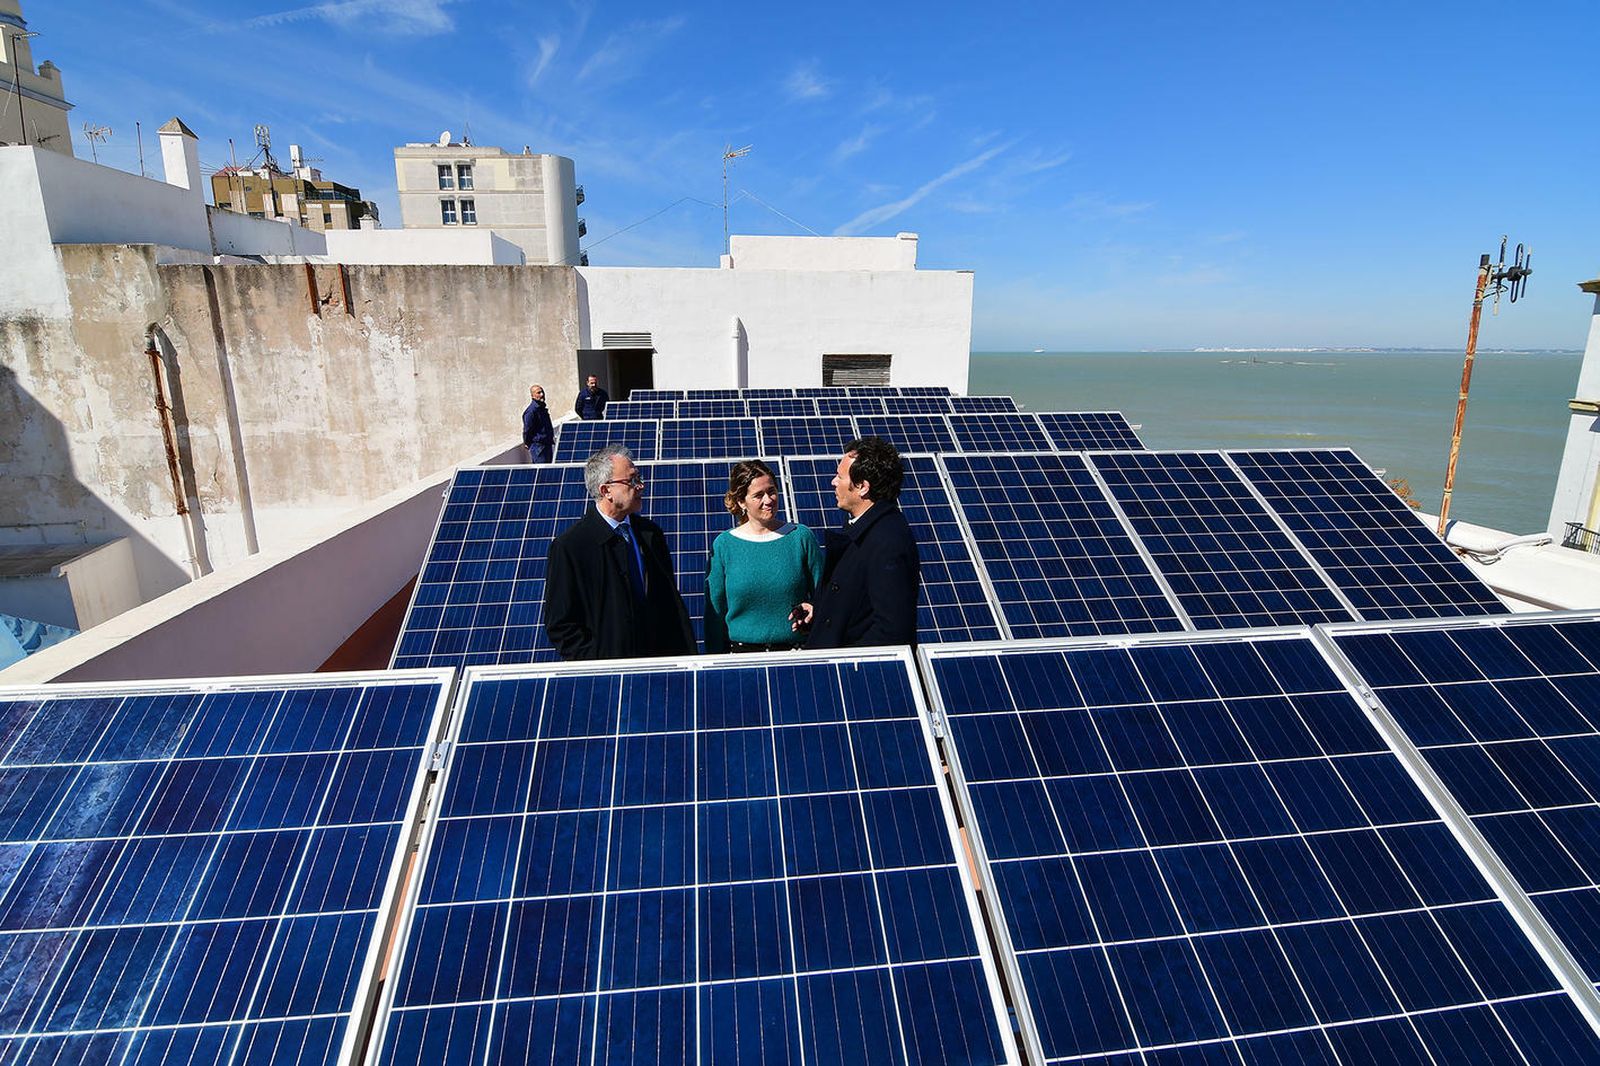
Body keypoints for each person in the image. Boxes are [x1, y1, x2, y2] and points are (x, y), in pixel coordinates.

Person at [543, 444, 695, 660]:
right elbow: (561, 625)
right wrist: (599, 664)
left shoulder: (650, 535)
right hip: (608, 678)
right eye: (632, 480)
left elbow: (668, 605)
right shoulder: (571, 547)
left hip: (661, 669)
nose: (641, 486)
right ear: (606, 491)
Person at [795, 437, 920, 649]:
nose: (834, 482)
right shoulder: (863, 526)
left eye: (839, 476)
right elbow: (854, 601)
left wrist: (848, 665)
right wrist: (820, 609)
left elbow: (891, 631)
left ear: (862, 487)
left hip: (854, 673)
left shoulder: (887, 541)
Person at [704, 460, 825, 653]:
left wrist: (813, 609)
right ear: (741, 501)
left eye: (772, 491)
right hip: (742, 658)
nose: (768, 500)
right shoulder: (724, 545)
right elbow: (714, 614)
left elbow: (824, 595)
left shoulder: (800, 537)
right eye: (758, 495)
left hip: (797, 655)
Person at [522, 383, 553, 463]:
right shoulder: (531, 411)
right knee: (542, 472)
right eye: (538, 393)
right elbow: (527, 429)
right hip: (538, 447)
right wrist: (527, 442)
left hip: (547, 445)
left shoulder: (541, 408)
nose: (542, 394)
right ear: (532, 396)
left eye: (542, 392)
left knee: (549, 470)